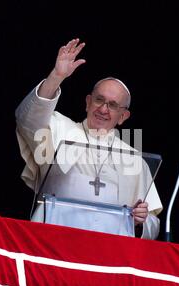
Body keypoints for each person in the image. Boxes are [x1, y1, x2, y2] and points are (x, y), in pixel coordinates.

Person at [15, 39, 162, 239]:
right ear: (87, 102)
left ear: (123, 117)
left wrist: (139, 221)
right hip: (54, 240)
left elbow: (152, 223)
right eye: (99, 100)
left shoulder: (134, 159)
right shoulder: (60, 128)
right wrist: (56, 77)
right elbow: (27, 119)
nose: (103, 109)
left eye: (112, 105)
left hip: (111, 252)